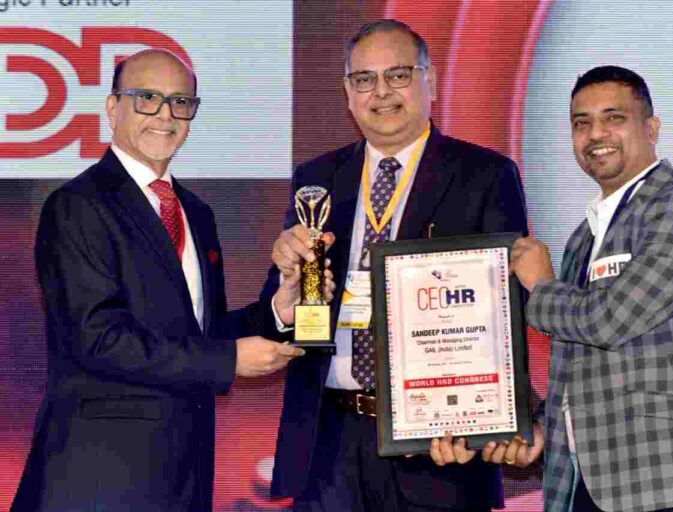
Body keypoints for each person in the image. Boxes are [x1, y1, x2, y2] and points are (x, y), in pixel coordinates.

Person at [10, 49, 327, 512]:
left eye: (181, 102)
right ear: (112, 107)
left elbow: (204, 333)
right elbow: (97, 338)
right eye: (147, 98)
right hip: (98, 477)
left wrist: (281, 305)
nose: (165, 114)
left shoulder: (196, 212)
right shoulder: (77, 206)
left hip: (184, 475)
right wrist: (227, 358)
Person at [263, 19, 530, 512]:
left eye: (399, 75)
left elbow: (508, 309)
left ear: (430, 81)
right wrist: (284, 297)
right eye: (364, 79)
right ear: (347, 92)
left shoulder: (485, 175)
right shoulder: (317, 177)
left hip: (437, 444)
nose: (381, 92)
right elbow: (287, 315)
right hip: (328, 443)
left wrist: (482, 419)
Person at [509, 65, 673, 511]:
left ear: (652, 128)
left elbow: (609, 321)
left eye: (613, 118)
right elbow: (580, 359)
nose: (595, 133)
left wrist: (541, 285)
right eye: (581, 123)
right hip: (595, 481)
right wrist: (542, 430)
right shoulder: (586, 234)